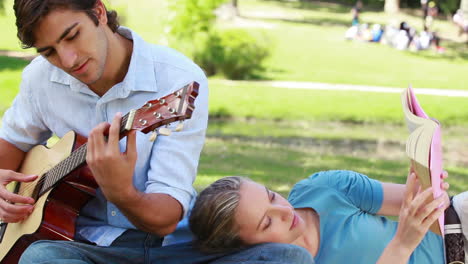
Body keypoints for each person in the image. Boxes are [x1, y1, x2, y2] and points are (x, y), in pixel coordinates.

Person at [0, 0, 313, 263]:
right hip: (81, 244)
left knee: (285, 257)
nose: (67, 60)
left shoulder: (177, 80)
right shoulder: (40, 80)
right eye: (49, 51)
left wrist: (121, 192)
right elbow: (9, 145)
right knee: (40, 259)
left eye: (72, 36)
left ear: (98, 12)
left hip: (173, 247)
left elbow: (165, 220)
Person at [189, 170, 468, 263]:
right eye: (267, 222)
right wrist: (402, 245)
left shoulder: (322, 189)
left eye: (272, 196)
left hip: (459, 224)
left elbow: (422, 201)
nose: (285, 211)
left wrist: (423, 180)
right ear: (244, 248)